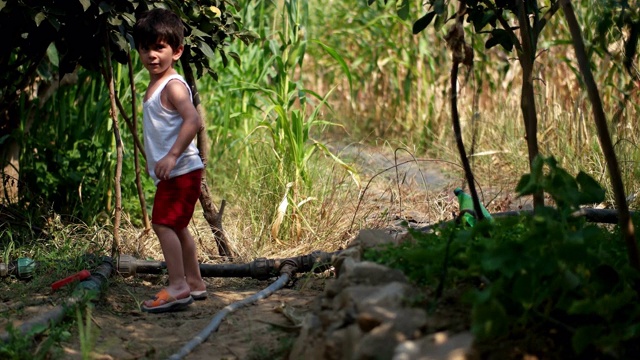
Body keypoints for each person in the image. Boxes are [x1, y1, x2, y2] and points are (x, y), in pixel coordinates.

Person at [133, 8, 208, 313]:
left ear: (177, 51)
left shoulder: (173, 85)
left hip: (180, 170)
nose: (152, 55)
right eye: (145, 48)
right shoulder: (156, 84)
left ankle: (177, 285)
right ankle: (194, 282)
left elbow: (193, 120)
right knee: (177, 227)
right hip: (180, 172)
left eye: (159, 47)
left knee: (163, 224)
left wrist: (173, 154)